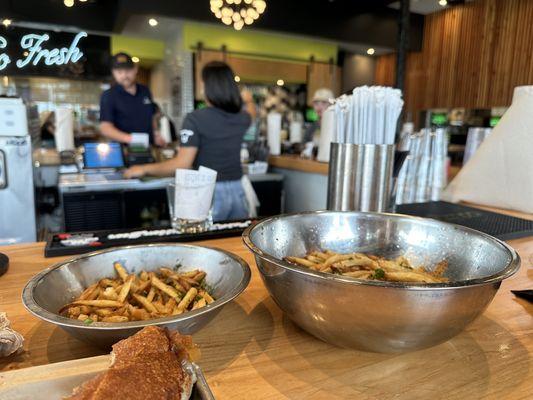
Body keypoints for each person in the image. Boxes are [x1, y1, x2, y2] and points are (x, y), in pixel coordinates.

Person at [124, 61, 252, 222]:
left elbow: (182, 163)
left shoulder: (195, 119)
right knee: (235, 242)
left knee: (205, 244)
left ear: (207, 86)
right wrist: (247, 99)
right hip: (238, 191)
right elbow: (252, 112)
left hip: (208, 192)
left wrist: (143, 169)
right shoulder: (241, 118)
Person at [99, 52, 165, 146]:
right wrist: (131, 139)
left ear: (135, 69)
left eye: (128, 71)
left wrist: (156, 135)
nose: (124, 76)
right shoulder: (108, 95)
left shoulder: (145, 90)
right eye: (119, 72)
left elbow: (151, 117)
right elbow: (105, 128)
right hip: (124, 150)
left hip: (149, 147)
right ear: (113, 73)